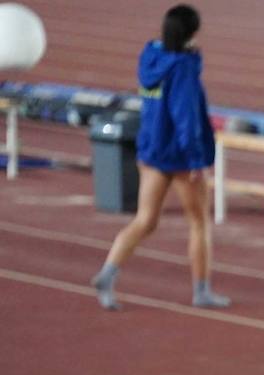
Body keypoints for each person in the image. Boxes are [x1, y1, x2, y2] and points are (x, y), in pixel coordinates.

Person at [91, 4, 228, 311]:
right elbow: (186, 116)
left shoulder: (150, 56)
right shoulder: (184, 67)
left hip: (152, 150)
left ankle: (108, 273)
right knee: (199, 222)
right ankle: (201, 290)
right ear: (191, 33)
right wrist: (195, 160)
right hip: (179, 156)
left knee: (145, 220)